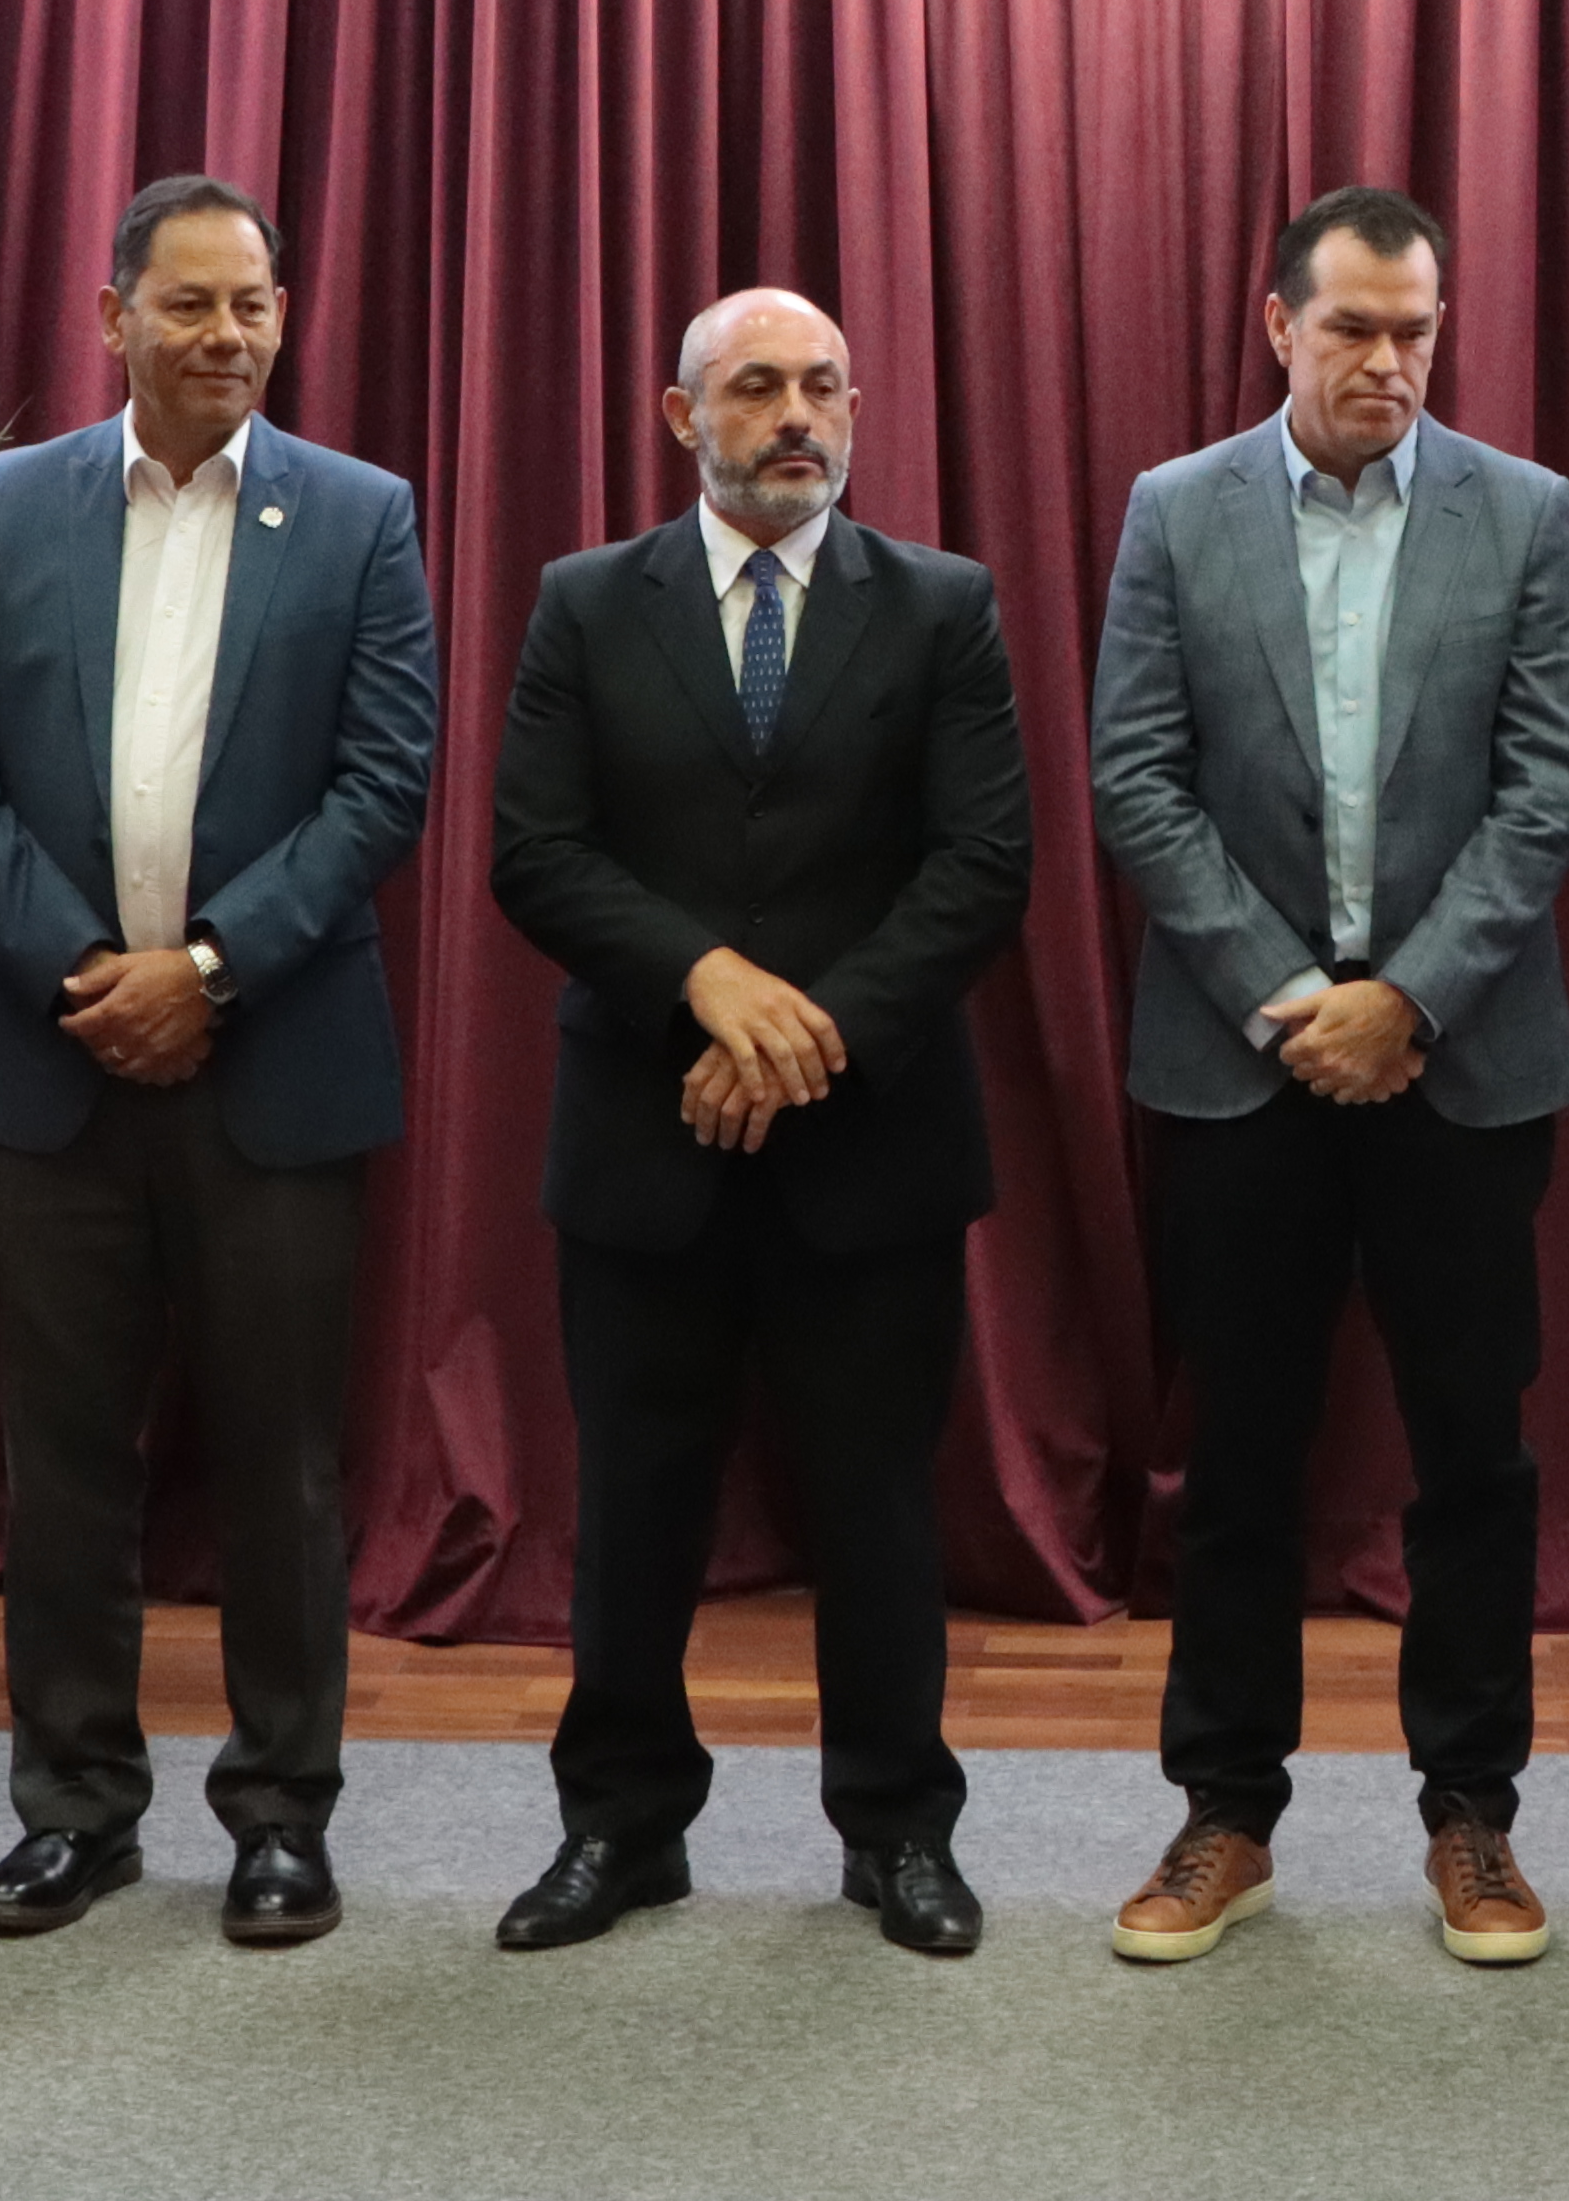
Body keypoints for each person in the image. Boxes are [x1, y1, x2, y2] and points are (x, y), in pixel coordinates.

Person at [0, 175, 443, 1949]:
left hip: (269, 1060)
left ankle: (283, 1812)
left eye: (254, 308)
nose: (226, 336)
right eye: (190, 305)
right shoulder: (0, 506)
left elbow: (383, 784)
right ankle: (76, 1808)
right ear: (112, 314)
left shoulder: (360, 518)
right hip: (50, 1069)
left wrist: (205, 969)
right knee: (60, 1461)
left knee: (283, 1464)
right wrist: (90, 973)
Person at [1081, 185, 1569, 1969]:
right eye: (1356, 330)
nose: (1389, 362)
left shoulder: (1522, 511)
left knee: (1475, 1457)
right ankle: (1228, 1813)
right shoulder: (1174, 511)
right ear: (1277, 323)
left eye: (1418, 333)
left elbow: (1550, 788)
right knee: (1240, 1457)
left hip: (1465, 1069)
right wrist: (1299, 995)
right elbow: (1136, 779)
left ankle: (1475, 1821)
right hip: (1243, 1067)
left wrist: (1413, 1001)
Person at [482, 286, 1033, 1959]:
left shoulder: (944, 606)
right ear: (681, 415)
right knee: (638, 1505)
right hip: (646, 1137)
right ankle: (622, 1829)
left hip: (870, 1143)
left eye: (823, 386)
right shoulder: (587, 604)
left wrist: (802, 1036)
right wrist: (709, 984)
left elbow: (980, 868)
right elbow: (536, 852)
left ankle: (897, 1833)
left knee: (878, 1504)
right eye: (757, 388)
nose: (797, 415)